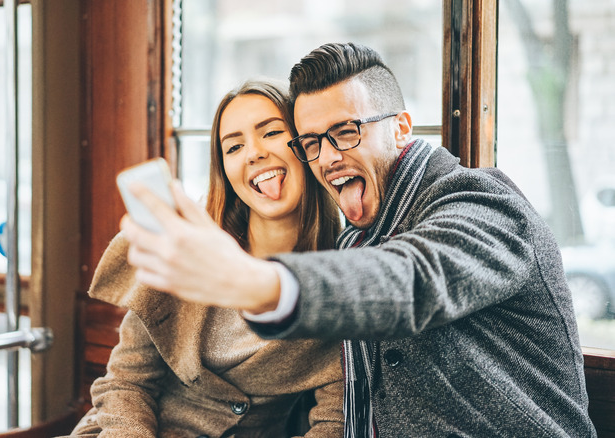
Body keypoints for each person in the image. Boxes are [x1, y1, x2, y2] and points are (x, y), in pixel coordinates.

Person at [119, 43, 597, 437]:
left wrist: (253, 281)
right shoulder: (353, 242)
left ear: (401, 128)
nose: (327, 158)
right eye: (311, 142)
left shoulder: (482, 200)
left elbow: (414, 277)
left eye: (345, 132)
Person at [69, 79, 345, 437]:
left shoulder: (339, 283)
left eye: (271, 132)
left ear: (307, 145)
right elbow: (126, 382)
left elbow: (334, 425)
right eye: (234, 147)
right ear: (225, 170)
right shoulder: (188, 248)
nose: (254, 153)